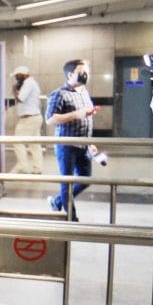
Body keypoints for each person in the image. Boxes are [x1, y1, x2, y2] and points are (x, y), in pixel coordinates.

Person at [45, 59, 98, 219]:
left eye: (87, 72)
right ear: (69, 75)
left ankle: (57, 202)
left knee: (85, 180)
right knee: (67, 182)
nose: (85, 75)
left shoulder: (84, 92)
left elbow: (86, 118)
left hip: (83, 145)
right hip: (66, 146)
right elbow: (50, 119)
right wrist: (76, 114)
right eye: (81, 72)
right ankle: (72, 219)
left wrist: (90, 142)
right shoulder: (59, 94)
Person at [10, 65, 44, 174]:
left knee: (17, 141)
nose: (16, 78)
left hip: (29, 118)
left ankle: (22, 166)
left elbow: (21, 98)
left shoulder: (28, 83)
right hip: (35, 117)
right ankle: (37, 168)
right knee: (34, 145)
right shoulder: (31, 82)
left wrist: (14, 90)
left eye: (17, 76)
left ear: (23, 75)